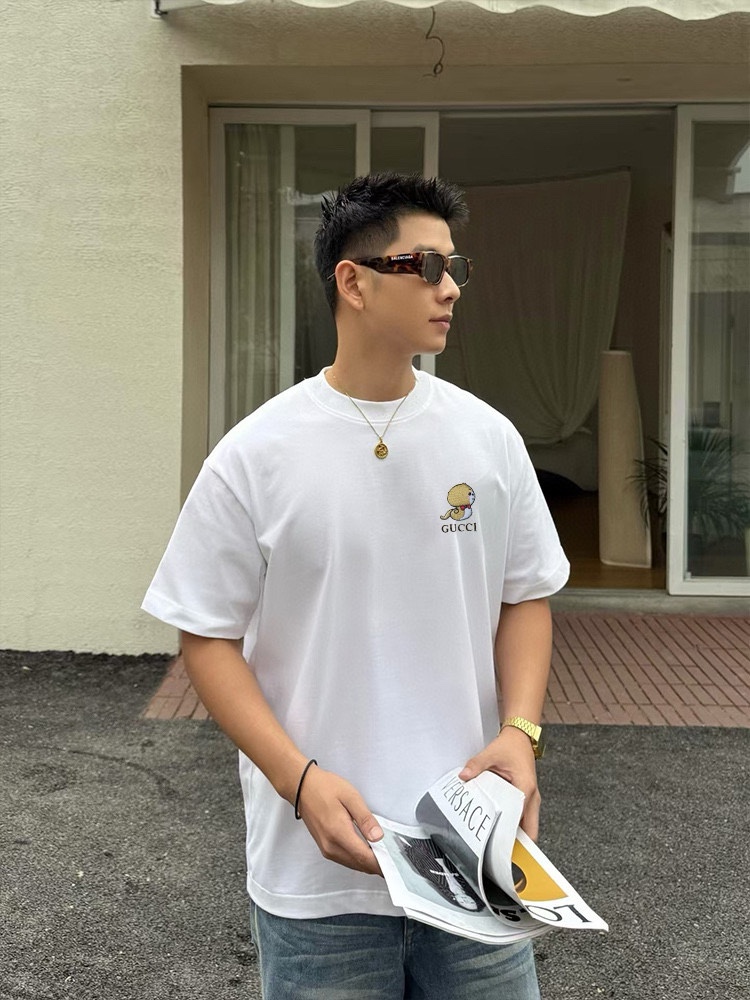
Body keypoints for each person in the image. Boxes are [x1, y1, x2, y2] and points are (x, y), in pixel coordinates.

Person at [142, 172, 569, 999]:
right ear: (354, 281)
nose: (451, 287)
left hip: (473, 852)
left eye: (456, 267)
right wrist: (296, 781)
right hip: (318, 876)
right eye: (428, 266)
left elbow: (526, 593)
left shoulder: (488, 439)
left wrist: (521, 731)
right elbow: (205, 635)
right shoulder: (256, 454)